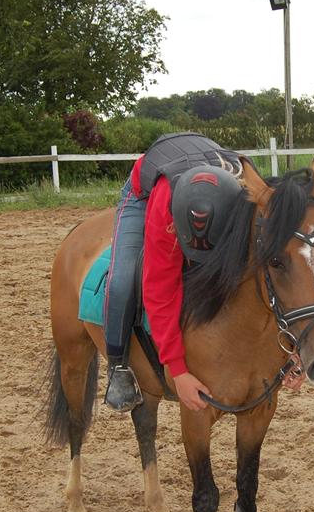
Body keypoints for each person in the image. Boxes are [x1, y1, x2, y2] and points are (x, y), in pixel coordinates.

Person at [103, 132, 244, 413]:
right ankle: (118, 365)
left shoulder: (244, 194)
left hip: (204, 178)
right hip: (144, 193)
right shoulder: (164, 203)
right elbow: (159, 286)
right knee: (120, 280)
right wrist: (177, 371)